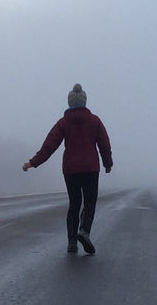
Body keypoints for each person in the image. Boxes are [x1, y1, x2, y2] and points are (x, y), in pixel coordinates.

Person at [22, 83, 113, 254]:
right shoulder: (95, 121)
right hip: (90, 168)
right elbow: (104, 144)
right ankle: (84, 231)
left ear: (69, 103)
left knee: (74, 203)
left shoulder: (63, 123)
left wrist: (33, 162)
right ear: (85, 102)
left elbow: (49, 145)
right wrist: (107, 163)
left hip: (70, 169)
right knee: (90, 202)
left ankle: (72, 241)